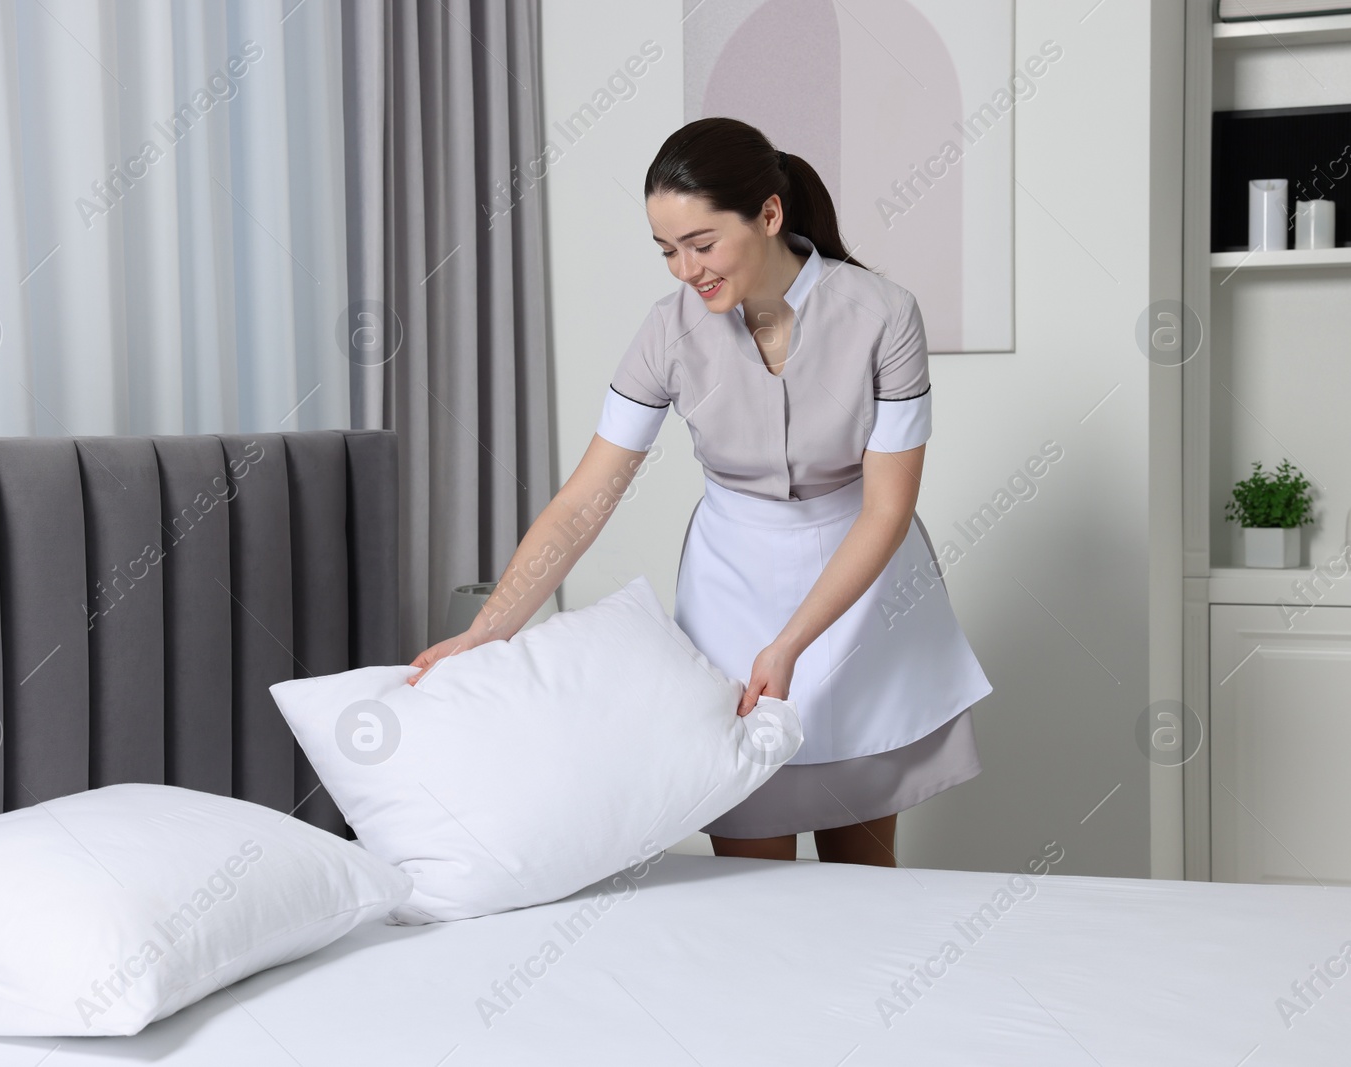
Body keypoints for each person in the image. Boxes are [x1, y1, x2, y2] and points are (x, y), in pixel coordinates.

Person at [408, 117, 993, 868]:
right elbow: (584, 500)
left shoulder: (883, 314)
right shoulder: (667, 333)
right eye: (667, 251)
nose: (686, 270)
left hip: (863, 594)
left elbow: (887, 506)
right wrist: (487, 631)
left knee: (864, 877)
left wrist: (790, 644)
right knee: (748, 875)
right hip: (731, 588)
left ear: (770, 216)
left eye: (702, 243)